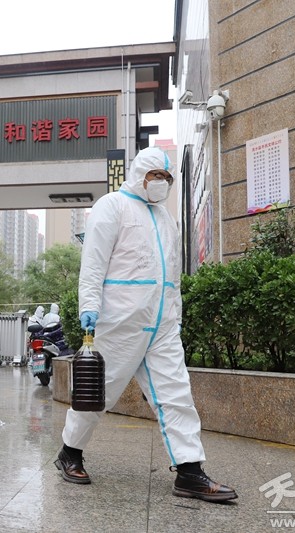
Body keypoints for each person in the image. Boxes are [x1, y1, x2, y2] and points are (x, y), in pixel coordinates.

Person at [54, 147, 237, 503]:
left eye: (167, 178)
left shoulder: (167, 219)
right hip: (120, 321)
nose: (162, 183)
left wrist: (175, 317)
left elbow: (174, 275)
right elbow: (93, 263)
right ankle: (69, 453)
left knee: (177, 395)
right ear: (140, 174)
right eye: (156, 176)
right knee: (97, 394)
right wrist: (89, 306)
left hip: (162, 325)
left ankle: (190, 472)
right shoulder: (112, 206)